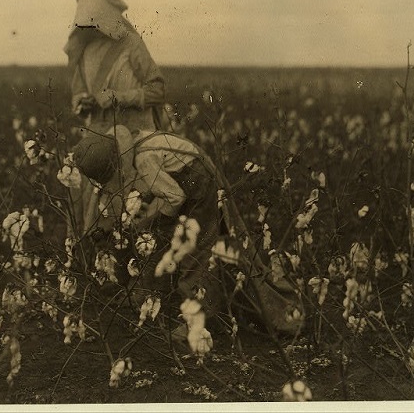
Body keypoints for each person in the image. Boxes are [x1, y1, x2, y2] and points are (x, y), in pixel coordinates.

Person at [70, 125, 304, 352]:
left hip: (201, 187)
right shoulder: (132, 143)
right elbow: (167, 178)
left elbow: (175, 197)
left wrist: (151, 222)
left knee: (196, 253)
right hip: (193, 177)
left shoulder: (143, 160)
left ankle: (201, 320)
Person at [63, 0, 166, 237]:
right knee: (84, 198)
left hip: (135, 137)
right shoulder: (82, 53)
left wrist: (117, 97)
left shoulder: (131, 44)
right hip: (97, 138)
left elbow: (157, 90)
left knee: (130, 202)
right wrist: (83, 104)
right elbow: (79, 95)